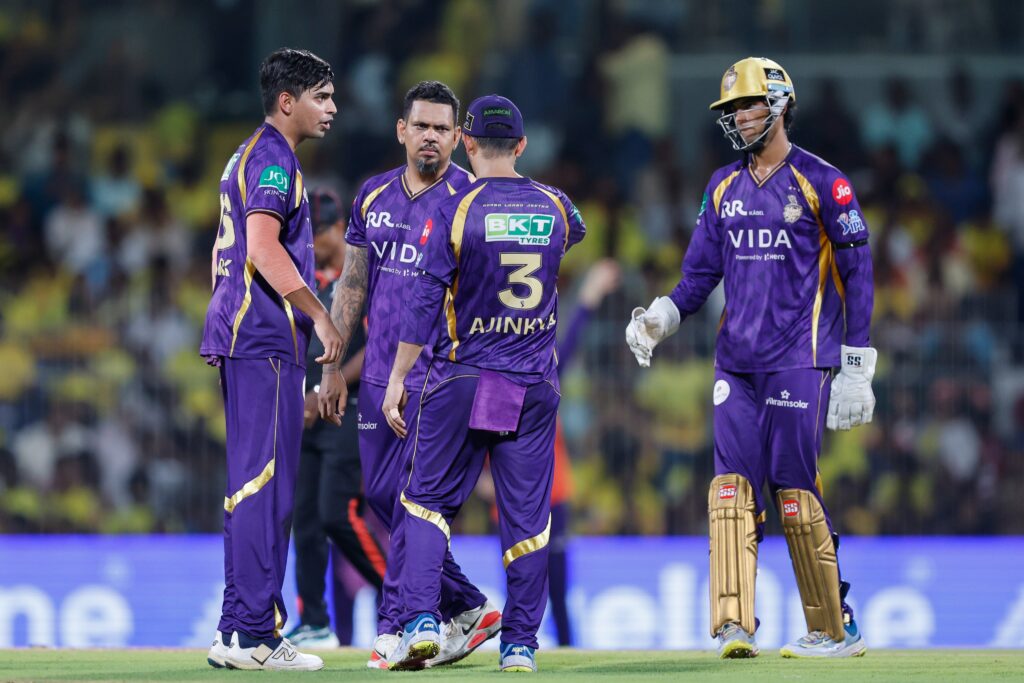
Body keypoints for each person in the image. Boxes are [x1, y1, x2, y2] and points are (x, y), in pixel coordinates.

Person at [625, 57, 875, 659]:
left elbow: (858, 272)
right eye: (732, 109)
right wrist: (662, 317)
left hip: (798, 359)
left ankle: (835, 626)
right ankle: (735, 626)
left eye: (748, 105)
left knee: (794, 491)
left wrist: (857, 366)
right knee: (729, 494)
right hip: (735, 364)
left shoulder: (823, 181)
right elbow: (698, 276)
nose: (738, 117)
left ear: (781, 105)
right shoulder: (721, 186)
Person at [382, 94, 586, 672]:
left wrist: (397, 378)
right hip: (532, 384)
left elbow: (424, 301)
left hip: (466, 377)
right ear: (521, 145)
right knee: (527, 521)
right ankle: (519, 646)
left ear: (466, 143)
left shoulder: (453, 208)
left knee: (425, 502)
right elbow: (576, 232)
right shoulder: (557, 205)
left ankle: (422, 620)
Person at [316, 81, 499, 670]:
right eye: (421, 125)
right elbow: (353, 284)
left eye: (442, 128)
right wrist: (332, 362)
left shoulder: (471, 199)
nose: (430, 137)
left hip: (441, 376)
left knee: (414, 501)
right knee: (380, 497)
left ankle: (397, 625)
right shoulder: (372, 196)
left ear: (458, 137)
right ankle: (466, 605)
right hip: (376, 375)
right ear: (402, 130)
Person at [200, 48, 342, 672]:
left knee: (248, 486)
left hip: (243, 335)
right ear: (288, 101)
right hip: (264, 338)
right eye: (322, 96)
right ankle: (257, 634)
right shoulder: (276, 159)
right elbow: (260, 244)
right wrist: (318, 313)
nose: (332, 108)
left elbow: (231, 246)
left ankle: (237, 629)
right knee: (266, 486)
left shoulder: (247, 153)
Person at [284, 188, 387, 650]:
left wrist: (331, 384)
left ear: (338, 229)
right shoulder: (310, 278)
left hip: (351, 409)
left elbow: (378, 346)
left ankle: (403, 596)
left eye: (317, 232)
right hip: (308, 414)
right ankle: (314, 620)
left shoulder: (363, 276)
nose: (309, 242)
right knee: (305, 519)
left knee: (336, 512)